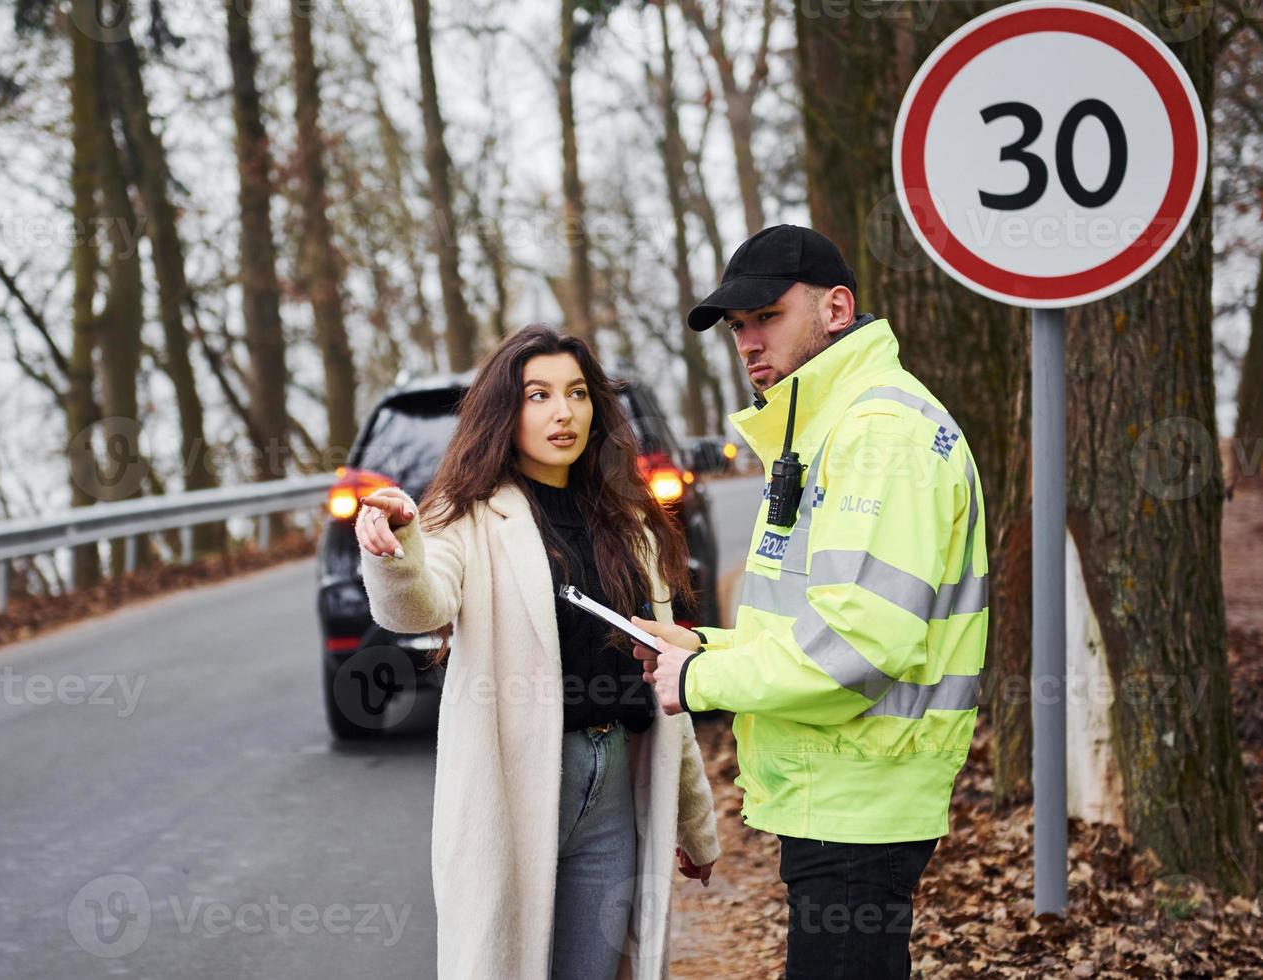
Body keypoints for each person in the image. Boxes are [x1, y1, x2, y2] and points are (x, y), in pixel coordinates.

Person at [629, 224, 989, 979]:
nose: (750, 341)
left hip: (859, 797)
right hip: (841, 794)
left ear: (835, 308)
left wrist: (700, 682)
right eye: (738, 327)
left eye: (768, 315)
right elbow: (816, 620)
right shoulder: (824, 427)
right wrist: (706, 646)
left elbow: (859, 649)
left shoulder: (877, 434)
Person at [355, 325, 722, 980]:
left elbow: (663, 676)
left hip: (614, 781)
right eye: (540, 395)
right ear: (507, 411)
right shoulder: (466, 514)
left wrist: (694, 822)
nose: (564, 412)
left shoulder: (628, 522)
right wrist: (396, 552)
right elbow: (420, 605)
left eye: (578, 394)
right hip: (515, 787)